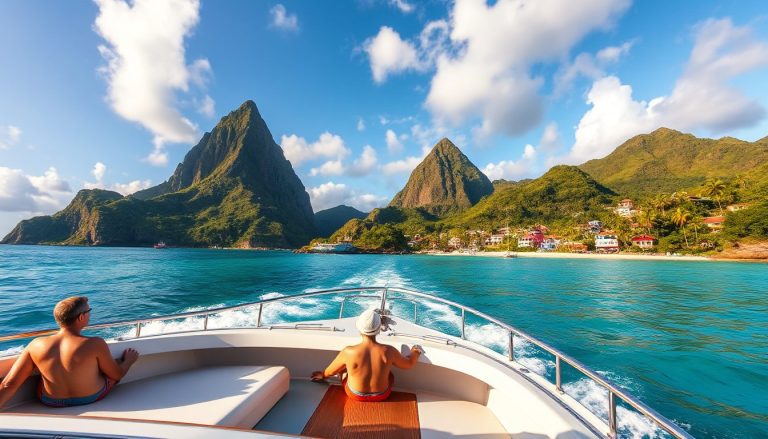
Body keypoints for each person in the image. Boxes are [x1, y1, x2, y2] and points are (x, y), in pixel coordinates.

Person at [0, 296, 139, 409]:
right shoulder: (95, 343)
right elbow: (117, 374)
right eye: (88, 311)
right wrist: (128, 361)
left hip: (50, 401)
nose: (90, 314)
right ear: (81, 317)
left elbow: (9, 384)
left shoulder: (36, 344)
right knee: (113, 373)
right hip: (90, 398)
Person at [311, 308, 422, 402]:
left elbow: (330, 372)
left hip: (355, 395)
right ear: (379, 330)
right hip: (382, 395)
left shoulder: (349, 352)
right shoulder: (389, 351)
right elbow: (408, 364)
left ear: (359, 329)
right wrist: (415, 352)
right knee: (390, 374)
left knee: (343, 370)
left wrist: (323, 375)